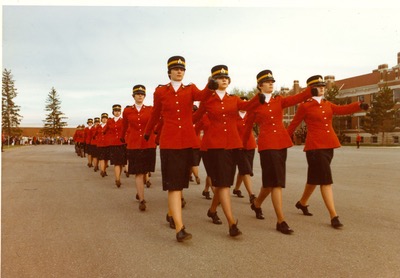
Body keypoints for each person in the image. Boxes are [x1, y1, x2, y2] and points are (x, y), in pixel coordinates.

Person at [143, 55, 216, 242]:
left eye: (182, 69)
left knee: (180, 184)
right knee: (174, 186)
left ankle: (171, 215)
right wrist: (148, 132)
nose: (179, 71)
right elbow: (155, 114)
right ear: (169, 72)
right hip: (169, 142)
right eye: (175, 69)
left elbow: (202, 96)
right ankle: (180, 228)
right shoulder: (160, 92)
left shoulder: (190, 89)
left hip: (187, 142)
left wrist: (210, 85)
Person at [287, 75, 369, 229]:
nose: (323, 88)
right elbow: (293, 124)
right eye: (319, 86)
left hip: (329, 145)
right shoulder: (305, 106)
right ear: (310, 89)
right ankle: (334, 216)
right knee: (325, 180)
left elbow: (342, 109)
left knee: (313, 179)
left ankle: (302, 203)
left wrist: (359, 105)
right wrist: (282, 139)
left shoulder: (327, 104)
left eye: (323, 85)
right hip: (315, 147)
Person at [198, 65, 264, 237]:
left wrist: (259, 97)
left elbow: (248, 105)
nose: (224, 80)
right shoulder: (207, 100)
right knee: (224, 184)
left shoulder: (234, 99)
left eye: (226, 77)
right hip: (215, 147)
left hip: (233, 146)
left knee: (223, 182)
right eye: (220, 78)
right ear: (213, 81)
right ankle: (232, 223)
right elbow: (194, 119)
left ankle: (213, 210)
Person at [245, 69, 314, 235]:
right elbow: (246, 128)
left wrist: (310, 90)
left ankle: (257, 204)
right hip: (267, 146)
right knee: (276, 183)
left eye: (272, 82)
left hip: (281, 144)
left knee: (270, 183)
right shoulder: (254, 105)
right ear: (260, 85)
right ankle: (280, 220)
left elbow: (296, 98)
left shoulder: (279, 101)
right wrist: (240, 146)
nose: (271, 84)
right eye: (268, 82)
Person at [122, 85, 156, 211]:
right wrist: (122, 138)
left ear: (145, 96)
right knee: (138, 172)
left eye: (142, 94)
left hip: (148, 144)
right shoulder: (127, 111)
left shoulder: (150, 109)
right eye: (137, 94)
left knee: (145, 170)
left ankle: (139, 190)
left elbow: (155, 124)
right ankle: (142, 199)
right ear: (133, 96)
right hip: (134, 144)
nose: (140, 95)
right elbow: (124, 126)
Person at [232, 96, 257, 204]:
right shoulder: (233, 116)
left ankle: (236, 189)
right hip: (238, 146)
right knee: (246, 169)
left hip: (250, 145)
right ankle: (251, 194)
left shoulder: (251, 114)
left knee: (244, 170)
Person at [107, 104, 127, 188]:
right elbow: (105, 131)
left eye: (118, 111)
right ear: (113, 112)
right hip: (113, 144)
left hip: (122, 143)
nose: (117, 113)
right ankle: (117, 179)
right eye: (115, 111)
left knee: (121, 162)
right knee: (116, 163)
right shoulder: (109, 121)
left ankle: (118, 177)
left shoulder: (123, 121)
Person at [97, 113, 110, 177]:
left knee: (106, 159)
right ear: (101, 119)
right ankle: (102, 170)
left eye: (106, 118)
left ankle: (104, 170)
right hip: (100, 144)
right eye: (103, 118)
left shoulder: (109, 126)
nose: (104, 119)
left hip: (107, 144)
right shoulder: (98, 126)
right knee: (101, 158)